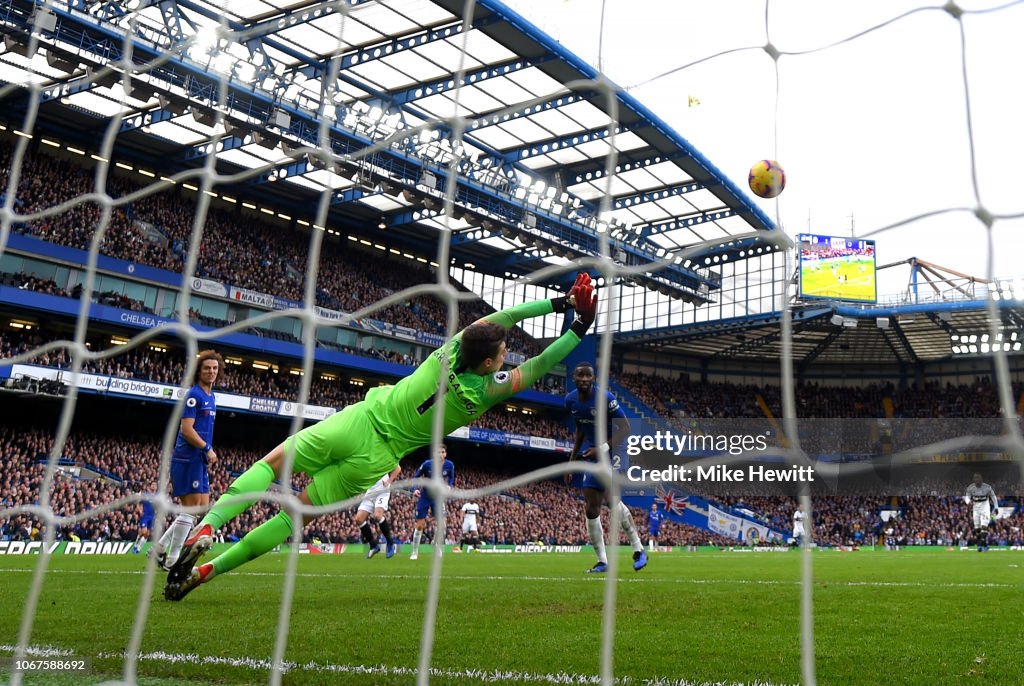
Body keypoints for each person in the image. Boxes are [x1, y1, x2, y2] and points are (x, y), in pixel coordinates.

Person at [163, 273, 599, 600]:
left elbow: (501, 318)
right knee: (295, 517)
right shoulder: (484, 392)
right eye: (502, 352)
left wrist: (559, 301)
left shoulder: (449, 351)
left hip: (358, 420)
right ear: (489, 364)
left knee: (271, 465)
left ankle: (209, 526)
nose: (506, 351)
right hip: (377, 457)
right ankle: (207, 573)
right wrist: (579, 327)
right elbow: (542, 363)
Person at [563, 361, 647, 573]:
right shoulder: (570, 401)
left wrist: (601, 448)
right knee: (591, 508)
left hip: (615, 448)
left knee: (611, 500)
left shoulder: (605, 399)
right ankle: (602, 561)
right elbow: (581, 428)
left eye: (587, 376)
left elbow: (626, 428)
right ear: (574, 378)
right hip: (593, 449)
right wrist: (572, 460)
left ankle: (638, 548)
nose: (584, 379)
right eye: (580, 376)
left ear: (593, 379)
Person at [155, 350, 222, 577]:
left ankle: (160, 548)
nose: (211, 372)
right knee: (191, 510)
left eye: (214, 368)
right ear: (198, 371)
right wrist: (207, 448)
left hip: (199, 460)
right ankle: (172, 560)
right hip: (188, 458)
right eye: (207, 368)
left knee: (200, 509)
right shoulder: (194, 395)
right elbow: (186, 429)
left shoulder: (211, 396)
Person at [409, 445, 455, 560]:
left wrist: (449, 486)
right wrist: (415, 489)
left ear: (445, 454)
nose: (440, 454)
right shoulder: (427, 464)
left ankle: (436, 544)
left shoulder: (449, 465)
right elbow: (416, 477)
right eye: (438, 452)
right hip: (424, 497)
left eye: (443, 452)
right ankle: (415, 551)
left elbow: (451, 478)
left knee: (442, 524)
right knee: (420, 526)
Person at [355, 465, 402, 559]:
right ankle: (373, 546)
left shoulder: (382, 456)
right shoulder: (363, 460)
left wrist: (389, 480)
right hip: (370, 492)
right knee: (359, 519)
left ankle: (390, 543)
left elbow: (398, 468)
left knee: (377, 515)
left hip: (382, 490)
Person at [964, 472, 999, 552]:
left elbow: (993, 497)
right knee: (977, 529)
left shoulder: (987, 487)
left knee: (984, 526)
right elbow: (967, 497)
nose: (976, 479)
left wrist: (996, 507)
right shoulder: (970, 488)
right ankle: (983, 544)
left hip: (985, 508)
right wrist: (968, 502)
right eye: (975, 478)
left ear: (981, 479)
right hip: (976, 508)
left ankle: (982, 545)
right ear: (973, 479)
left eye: (978, 478)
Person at [132, 481, 158, 555]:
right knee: (143, 532)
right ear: (150, 486)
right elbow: (138, 503)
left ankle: (138, 549)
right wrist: (140, 510)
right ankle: (135, 546)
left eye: (155, 485)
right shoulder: (145, 495)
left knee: (146, 535)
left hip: (152, 517)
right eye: (152, 485)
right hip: (145, 516)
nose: (153, 486)